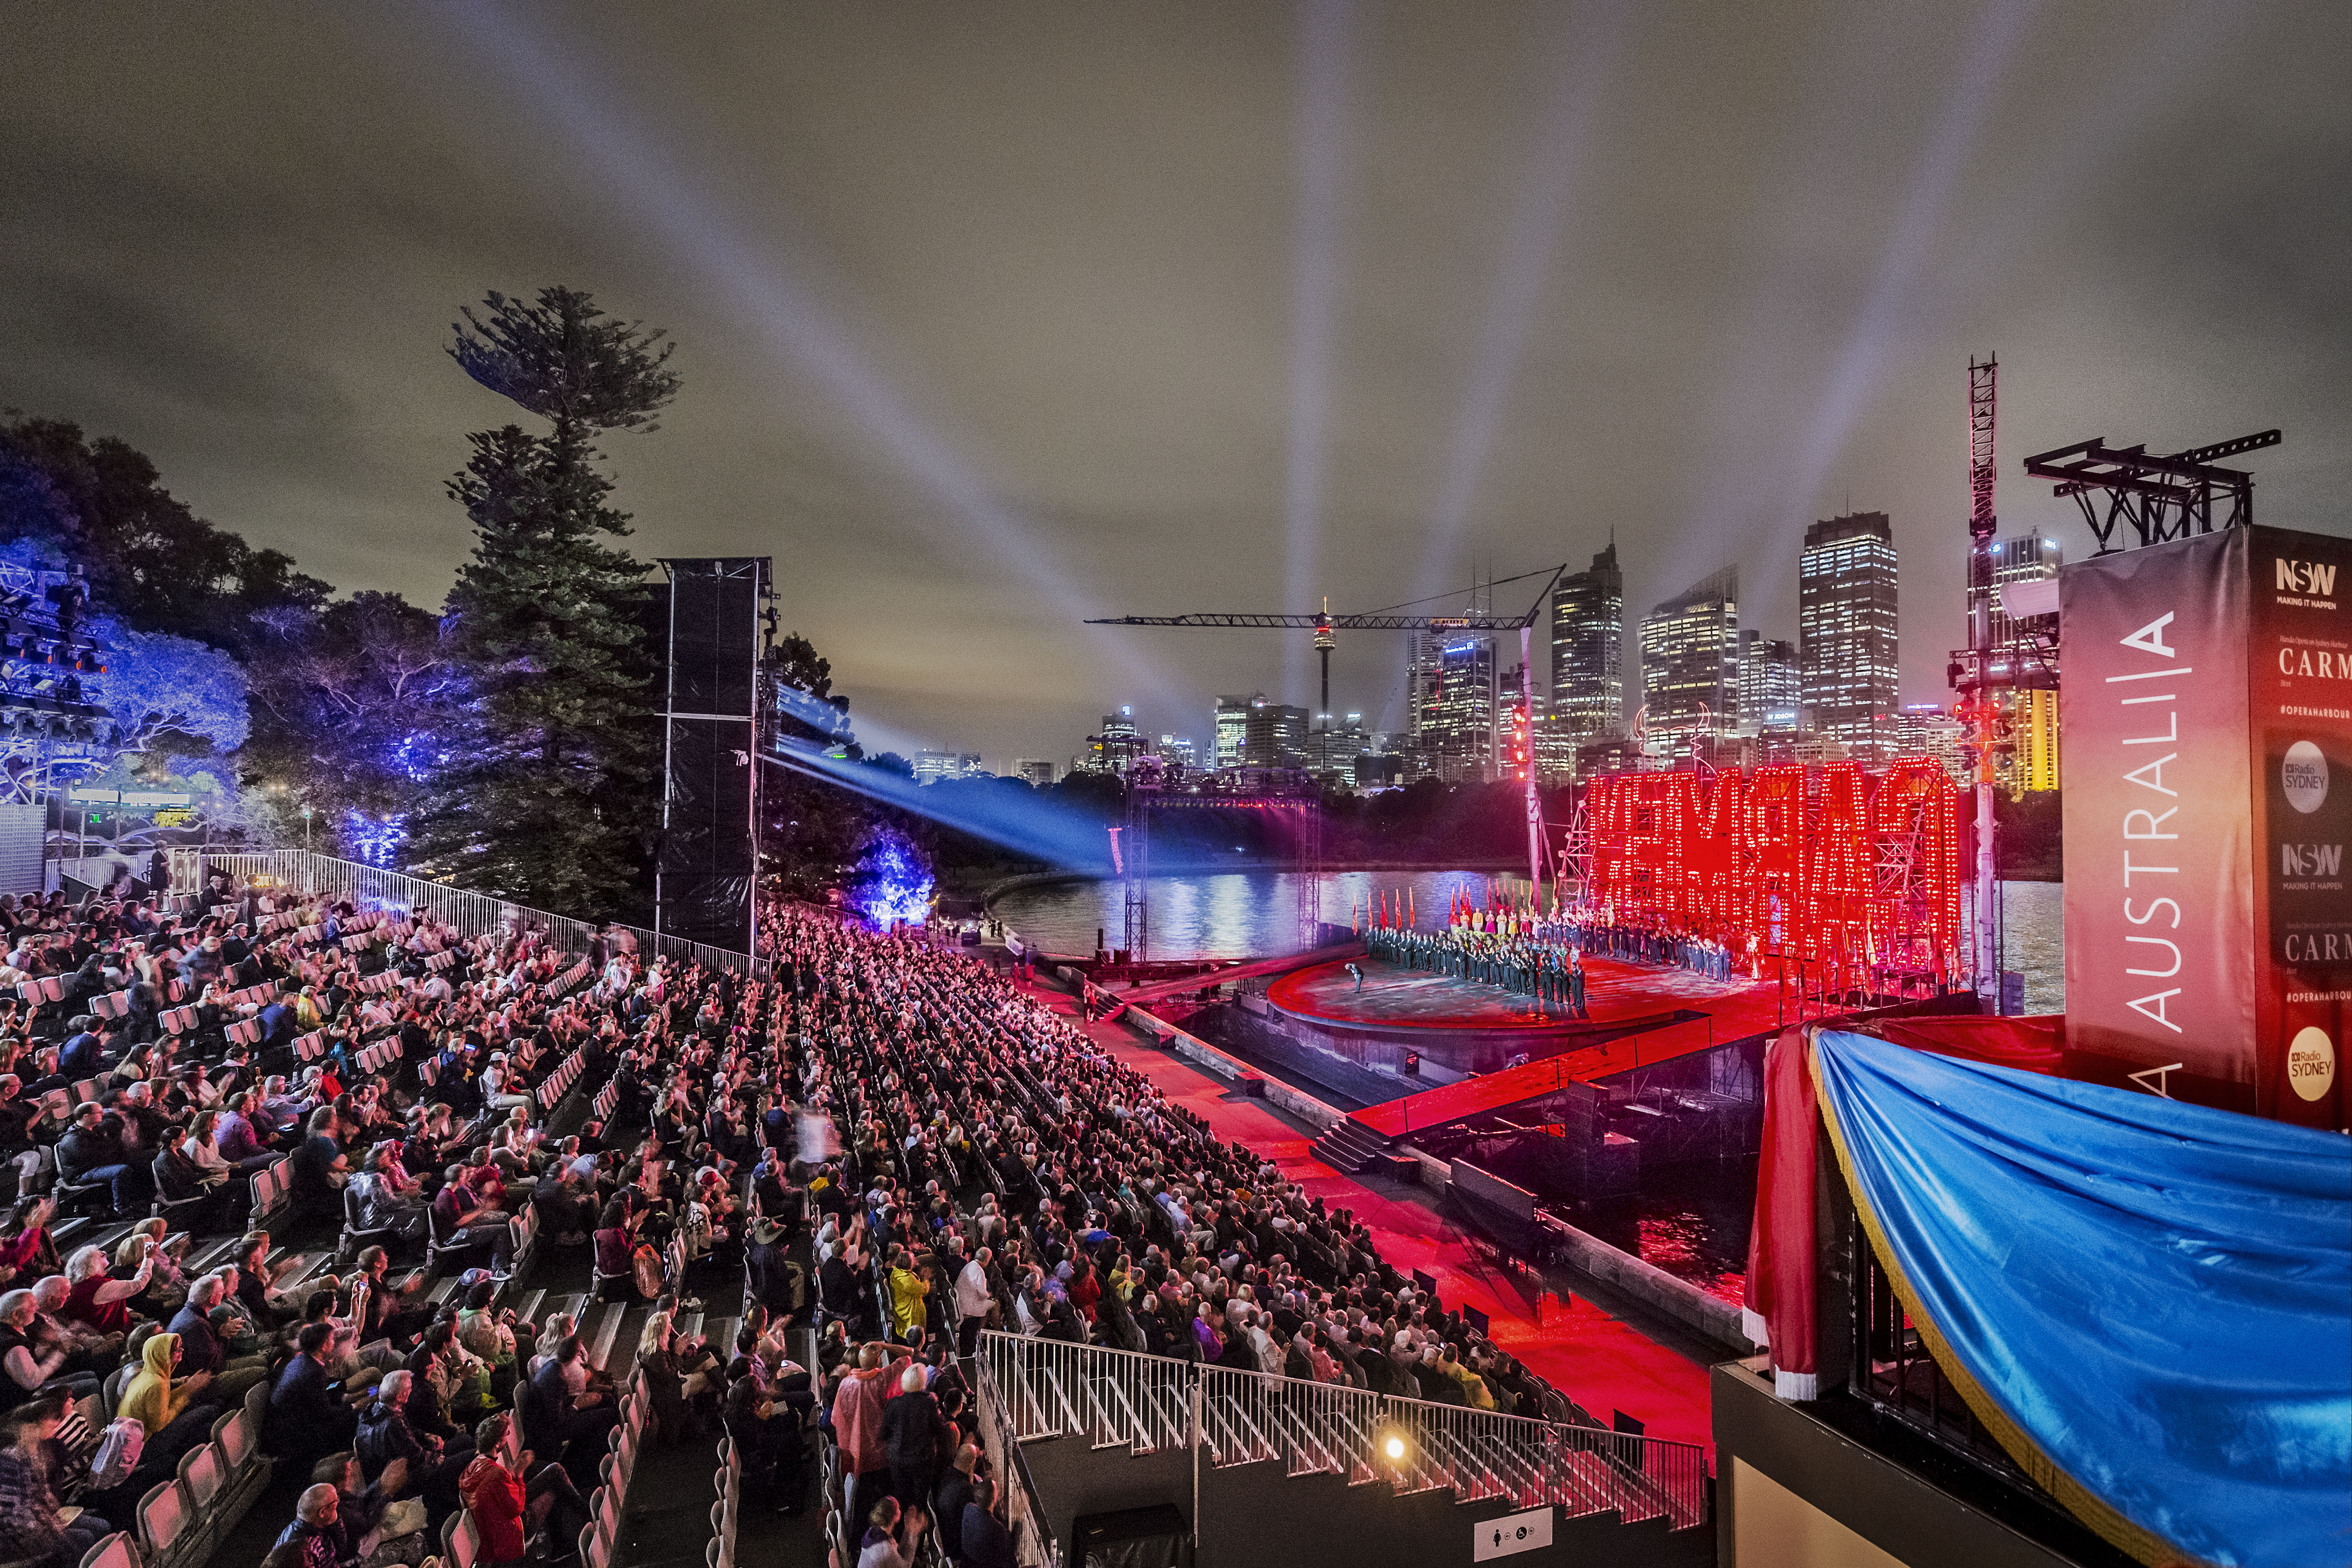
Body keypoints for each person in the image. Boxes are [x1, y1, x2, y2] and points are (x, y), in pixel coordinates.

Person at [458, 1412, 591, 1568]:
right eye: (506, 1435)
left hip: (493, 1531)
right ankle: (568, 1538)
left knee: (555, 1471)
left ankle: (581, 1521)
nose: (508, 1438)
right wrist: (519, 1474)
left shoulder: (470, 1469)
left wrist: (513, 1474)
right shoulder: (496, 1473)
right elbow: (517, 1508)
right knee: (554, 1489)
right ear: (498, 1443)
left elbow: (500, 1497)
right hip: (511, 1533)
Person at [0, 1399, 111, 1568]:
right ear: (31, 1428)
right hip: (24, 1538)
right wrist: (55, 1530)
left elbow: (44, 1494)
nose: (56, 1423)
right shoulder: (11, 1463)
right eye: (50, 1419)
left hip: (47, 1520)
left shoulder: (39, 1450)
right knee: (85, 1540)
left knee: (102, 1527)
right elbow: (17, 1519)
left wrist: (57, 1517)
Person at [115, 1331, 221, 1471]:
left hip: (135, 1438)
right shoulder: (155, 1382)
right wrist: (186, 1394)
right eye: (174, 1349)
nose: (181, 1350)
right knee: (212, 1410)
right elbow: (160, 1425)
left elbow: (163, 1401)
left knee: (205, 1416)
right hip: (144, 1445)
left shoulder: (150, 1372)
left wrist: (186, 1388)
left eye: (180, 1346)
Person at [266, 1321, 358, 1464]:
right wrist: (353, 1406)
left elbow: (316, 1398)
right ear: (322, 1346)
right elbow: (324, 1414)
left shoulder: (301, 1360)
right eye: (331, 1339)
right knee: (352, 1420)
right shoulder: (314, 1372)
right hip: (292, 1436)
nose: (334, 1342)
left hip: (284, 1424)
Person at [930, 1443, 980, 1564]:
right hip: (956, 1546)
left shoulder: (945, 1475)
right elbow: (974, 1519)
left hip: (946, 1534)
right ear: (972, 1462)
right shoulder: (965, 1490)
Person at [959, 1474, 1016, 1568]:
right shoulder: (996, 1528)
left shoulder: (968, 1509)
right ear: (994, 1498)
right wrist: (1018, 1522)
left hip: (967, 1564)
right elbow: (1008, 1554)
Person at [856, 1495, 927, 1568]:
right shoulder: (885, 1549)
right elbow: (906, 1566)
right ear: (896, 1516)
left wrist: (908, 1530)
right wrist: (913, 1534)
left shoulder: (874, 1531)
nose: (901, 1510)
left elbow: (899, 1554)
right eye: (899, 1508)